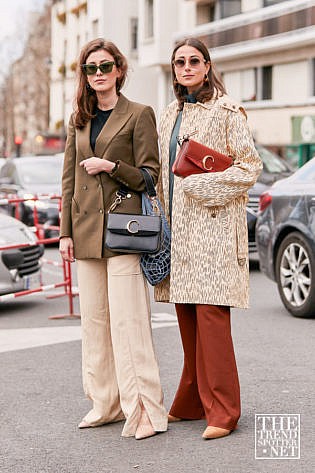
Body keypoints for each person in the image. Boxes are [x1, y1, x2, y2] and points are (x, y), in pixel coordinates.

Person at [59, 38, 167, 440]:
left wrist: (110, 166)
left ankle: (144, 411)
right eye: (91, 68)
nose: (99, 74)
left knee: (129, 322)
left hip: (125, 232)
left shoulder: (139, 114)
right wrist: (64, 233)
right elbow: (68, 180)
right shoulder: (78, 120)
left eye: (105, 66)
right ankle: (104, 404)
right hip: (86, 233)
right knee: (95, 324)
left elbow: (150, 177)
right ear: (84, 76)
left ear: (119, 69)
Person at [155, 38, 262, 440]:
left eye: (193, 61)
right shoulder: (169, 114)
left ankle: (224, 411)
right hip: (179, 232)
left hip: (214, 229)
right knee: (187, 319)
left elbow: (250, 166)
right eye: (179, 61)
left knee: (212, 320)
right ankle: (191, 401)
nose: (186, 67)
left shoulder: (227, 109)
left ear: (207, 65)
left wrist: (204, 186)